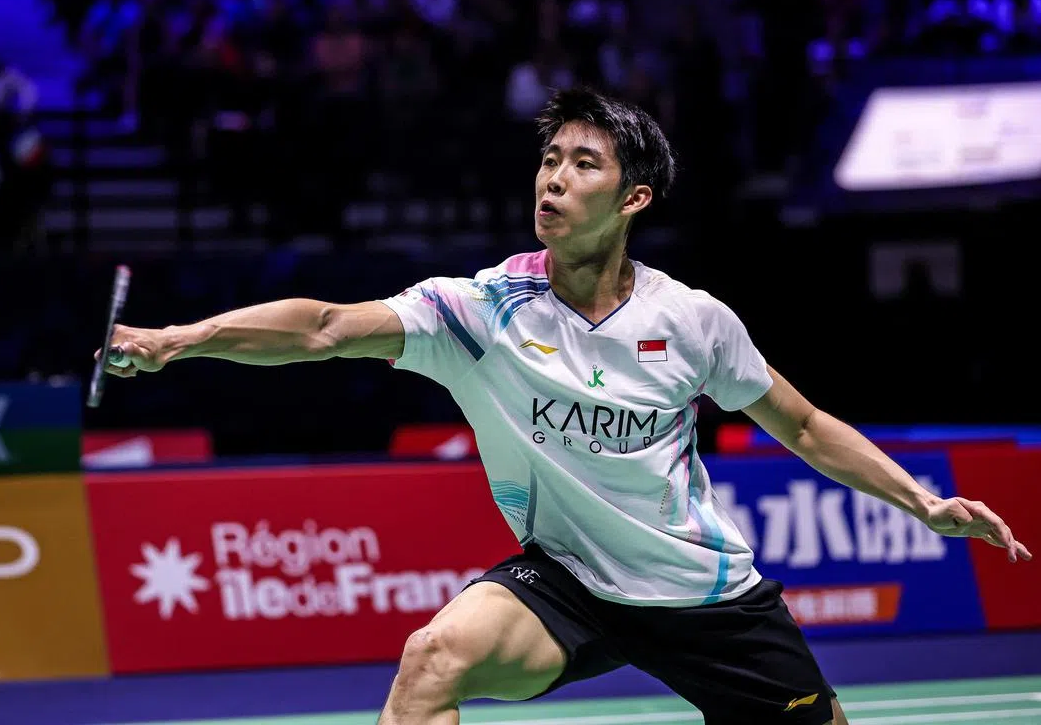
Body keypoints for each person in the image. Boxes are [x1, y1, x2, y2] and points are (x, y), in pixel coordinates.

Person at [97, 87, 1031, 725]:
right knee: (432, 660)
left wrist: (923, 502)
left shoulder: (691, 321)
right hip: (569, 583)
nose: (553, 178)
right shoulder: (481, 311)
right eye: (549, 159)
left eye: (584, 164)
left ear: (633, 197)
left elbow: (806, 425)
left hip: (701, 596)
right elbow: (325, 327)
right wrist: (177, 339)